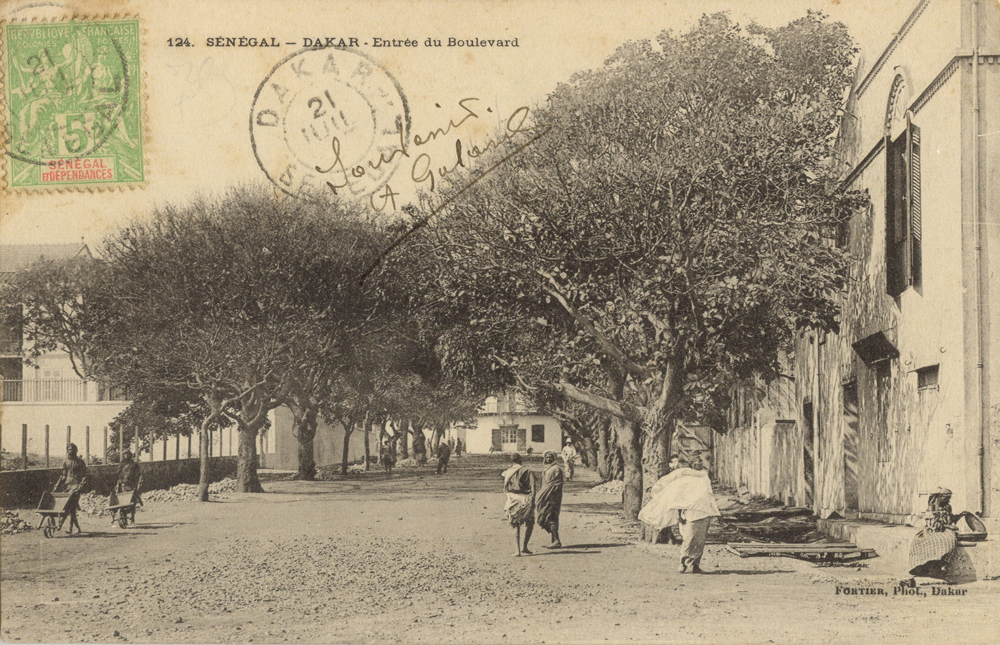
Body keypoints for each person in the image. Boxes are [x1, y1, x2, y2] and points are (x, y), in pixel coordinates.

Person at [638, 453, 720, 573]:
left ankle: (695, 566)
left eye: (701, 461)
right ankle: (683, 563)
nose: (700, 464)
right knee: (689, 539)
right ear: (692, 464)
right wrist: (680, 513)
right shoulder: (684, 477)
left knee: (700, 541)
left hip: (704, 511)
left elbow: (708, 495)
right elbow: (677, 496)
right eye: (697, 462)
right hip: (690, 513)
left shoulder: (703, 477)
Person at [908, 487, 960, 579]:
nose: (948, 500)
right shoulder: (932, 507)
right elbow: (933, 525)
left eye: (949, 498)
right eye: (946, 497)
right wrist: (948, 526)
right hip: (932, 530)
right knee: (927, 540)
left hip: (945, 530)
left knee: (950, 539)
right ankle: (926, 566)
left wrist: (960, 516)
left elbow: (951, 518)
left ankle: (940, 566)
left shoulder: (948, 507)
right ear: (939, 497)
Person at [501, 453, 535, 556]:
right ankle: (525, 547)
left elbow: (506, 486)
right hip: (525, 498)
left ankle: (517, 550)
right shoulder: (527, 471)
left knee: (515, 524)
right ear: (521, 460)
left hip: (513, 499)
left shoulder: (508, 472)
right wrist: (533, 499)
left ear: (511, 461)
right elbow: (533, 486)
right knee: (529, 523)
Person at [55, 443, 88, 534]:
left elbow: (84, 475)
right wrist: (56, 485)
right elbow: (63, 476)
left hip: (76, 486)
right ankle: (75, 528)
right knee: (68, 508)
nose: (70, 451)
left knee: (71, 507)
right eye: (69, 449)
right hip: (67, 486)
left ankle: (64, 526)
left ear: (76, 451)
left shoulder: (80, 462)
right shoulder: (65, 462)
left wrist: (81, 485)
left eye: (72, 450)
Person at [536, 450, 565, 548]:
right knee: (545, 516)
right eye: (547, 457)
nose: (548, 459)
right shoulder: (546, 469)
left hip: (553, 497)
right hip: (544, 496)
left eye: (550, 457)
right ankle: (553, 540)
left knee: (551, 517)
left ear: (554, 458)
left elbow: (558, 483)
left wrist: (550, 493)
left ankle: (556, 541)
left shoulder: (556, 469)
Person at [116, 450, 143, 523]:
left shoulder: (134, 464)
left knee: (132, 501)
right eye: (125, 454)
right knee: (123, 501)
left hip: (132, 484)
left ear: (130, 455)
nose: (126, 456)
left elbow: (139, 474)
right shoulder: (122, 464)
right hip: (123, 484)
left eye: (128, 454)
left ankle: (132, 516)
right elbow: (117, 474)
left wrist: (138, 484)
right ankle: (124, 517)